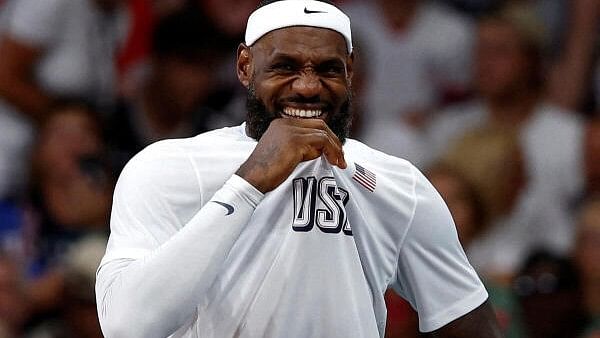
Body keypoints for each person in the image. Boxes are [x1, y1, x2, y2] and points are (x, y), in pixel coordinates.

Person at [95, 1, 502, 337]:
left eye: (327, 69)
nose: (307, 86)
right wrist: (249, 182)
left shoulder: (398, 184)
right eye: (285, 67)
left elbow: (466, 316)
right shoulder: (169, 167)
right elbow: (128, 327)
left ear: (351, 71)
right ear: (244, 67)